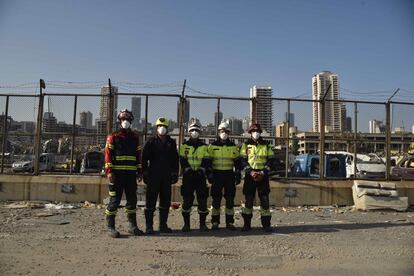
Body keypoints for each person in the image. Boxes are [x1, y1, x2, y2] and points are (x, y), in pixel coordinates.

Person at [104, 109, 143, 238]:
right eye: (123, 120)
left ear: (131, 121)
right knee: (114, 200)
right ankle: (111, 227)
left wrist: (139, 171)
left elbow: (138, 156)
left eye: (127, 120)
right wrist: (109, 171)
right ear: (119, 121)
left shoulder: (134, 138)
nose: (125, 122)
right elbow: (108, 155)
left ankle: (132, 226)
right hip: (117, 175)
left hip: (130, 175)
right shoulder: (113, 137)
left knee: (132, 200)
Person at [142, 117, 179, 234]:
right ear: (156, 128)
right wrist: (145, 172)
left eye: (164, 127)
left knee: (165, 201)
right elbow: (143, 159)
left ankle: (163, 225)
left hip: (167, 176)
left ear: (168, 128)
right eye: (159, 126)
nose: (161, 129)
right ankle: (149, 227)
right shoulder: (150, 142)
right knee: (150, 202)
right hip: (153, 175)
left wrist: (175, 173)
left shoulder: (171, 143)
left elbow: (175, 160)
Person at [240, 123, 275, 232]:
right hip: (250, 176)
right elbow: (242, 160)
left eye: (258, 131)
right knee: (249, 200)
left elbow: (271, 160)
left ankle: (266, 225)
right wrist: (250, 172)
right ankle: (247, 224)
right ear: (250, 133)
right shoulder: (245, 145)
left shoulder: (266, 145)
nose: (256, 133)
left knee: (264, 200)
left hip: (263, 176)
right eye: (254, 131)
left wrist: (263, 172)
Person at [207, 122, 242, 230]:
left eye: (226, 131)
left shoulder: (233, 146)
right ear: (218, 132)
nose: (224, 133)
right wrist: (210, 174)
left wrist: (238, 174)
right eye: (222, 131)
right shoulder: (212, 146)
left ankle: (230, 222)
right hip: (217, 175)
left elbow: (237, 162)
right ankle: (215, 222)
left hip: (229, 175)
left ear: (229, 133)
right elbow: (208, 162)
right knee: (216, 200)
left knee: (230, 200)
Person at [179, 119, 210, 232]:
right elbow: (182, 160)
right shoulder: (184, 146)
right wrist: (188, 169)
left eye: (196, 130)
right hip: (188, 177)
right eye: (192, 130)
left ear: (200, 131)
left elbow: (206, 161)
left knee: (202, 201)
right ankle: (186, 225)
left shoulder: (204, 147)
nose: (194, 132)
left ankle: (202, 224)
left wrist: (201, 170)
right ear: (188, 131)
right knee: (187, 201)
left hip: (200, 177)